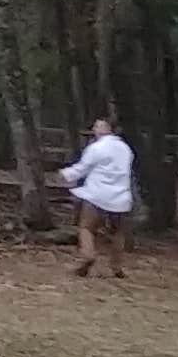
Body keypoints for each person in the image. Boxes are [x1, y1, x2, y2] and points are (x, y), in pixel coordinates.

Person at [58, 114, 136, 278]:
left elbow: (82, 168)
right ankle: (116, 266)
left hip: (97, 194)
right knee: (117, 232)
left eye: (98, 126)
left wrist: (66, 174)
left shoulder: (96, 148)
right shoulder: (125, 149)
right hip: (120, 196)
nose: (94, 129)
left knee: (86, 227)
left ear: (107, 128)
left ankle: (88, 255)